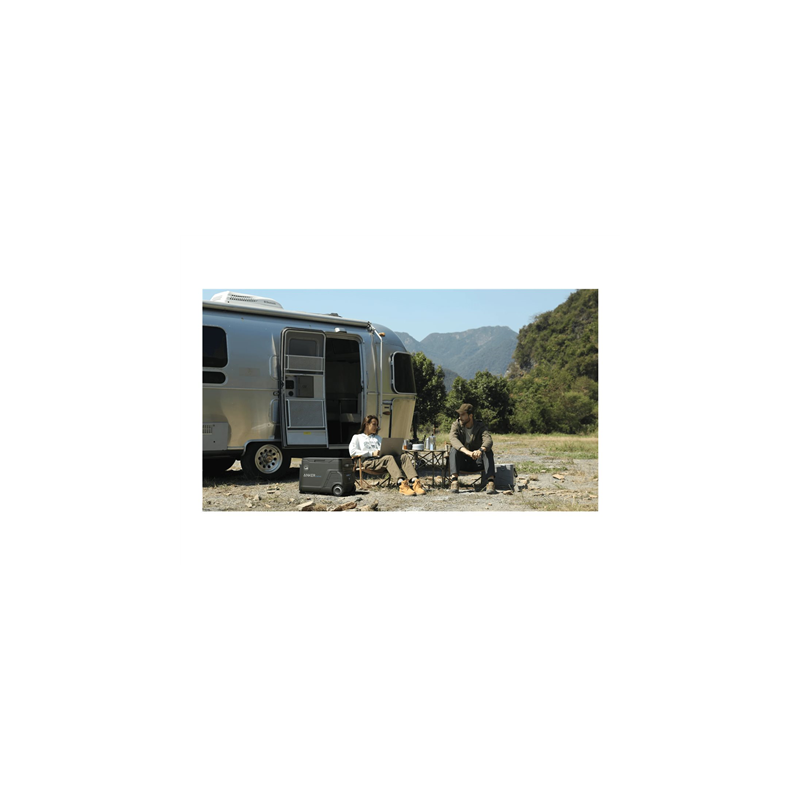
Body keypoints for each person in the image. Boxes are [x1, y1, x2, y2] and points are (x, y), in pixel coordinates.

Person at [349, 415, 426, 496]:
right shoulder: (357, 437)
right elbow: (352, 452)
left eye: (377, 425)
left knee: (403, 457)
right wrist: (371, 453)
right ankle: (402, 485)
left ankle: (415, 482)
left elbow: (384, 449)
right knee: (388, 458)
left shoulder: (378, 438)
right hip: (368, 461)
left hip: (382, 460)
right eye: (374, 424)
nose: (376, 427)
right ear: (366, 424)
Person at [448, 403, 496, 494]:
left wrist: (480, 450)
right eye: (459, 414)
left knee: (488, 451)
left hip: (477, 461)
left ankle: (491, 482)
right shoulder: (456, 425)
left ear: (470, 415)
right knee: (454, 449)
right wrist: (468, 452)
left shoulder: (480, 426)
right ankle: (454, 481)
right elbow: (453, 439)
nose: (460, 417)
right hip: (462, 462)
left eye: (463, 414)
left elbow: (488, 440)